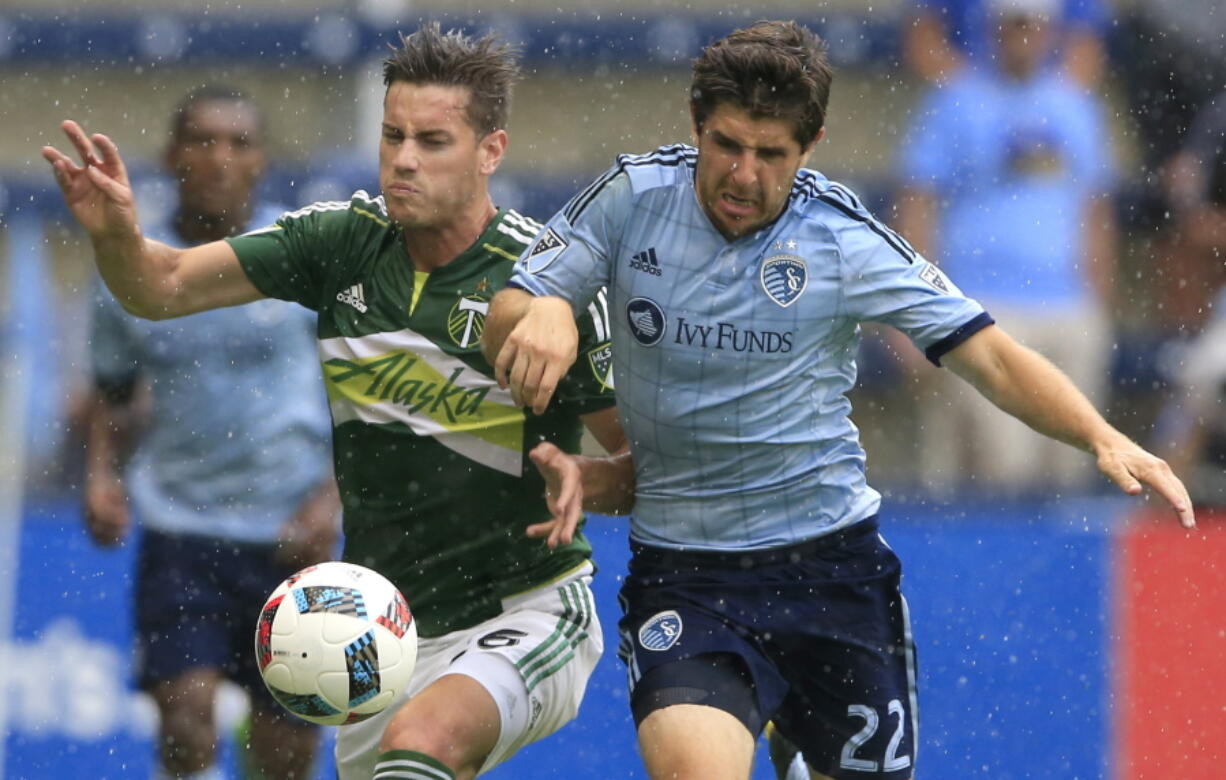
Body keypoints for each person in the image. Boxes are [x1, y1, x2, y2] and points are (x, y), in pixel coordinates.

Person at [482, 20, 1194, 780]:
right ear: (695, 127)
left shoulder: (841, 237)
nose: (743, 175)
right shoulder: (632, 196)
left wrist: (1099, 435)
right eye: (726, 145)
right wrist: (547, 308)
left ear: (811, 145)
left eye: (771, 155)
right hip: (688, 574)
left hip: (830, 575)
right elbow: (506, 314)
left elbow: (988, 354)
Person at [46, 24, 630, 780]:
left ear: (491, 151)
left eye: (432, 140)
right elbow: (158, 287)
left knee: (419, 743)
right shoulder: (340, 243)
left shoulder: (549, 284)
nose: (404, 159)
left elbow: (639, 466)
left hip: (525, 609)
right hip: (379, 628)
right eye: (393, 136)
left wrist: (589, 481)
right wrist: (116, 236)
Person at [81, 86, 337, 780]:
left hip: (292, 531)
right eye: (202, 140)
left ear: (260, 161)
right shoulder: (131, 265)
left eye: (238, 143)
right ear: (171, 154)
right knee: (187, 723)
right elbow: (109, 391)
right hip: (181, 531)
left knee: (285, 754)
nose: (219, 158)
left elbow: (362, 397)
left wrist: (330, 501)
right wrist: (100, 476)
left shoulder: (305, 252)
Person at [894, 0, 1119, 493]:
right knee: (1000, 472)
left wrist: (1098, 304)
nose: (1023, 35)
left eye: (1033, 25)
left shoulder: (1077, 106)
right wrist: (913, 313)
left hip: (1066, 304)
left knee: (1072, 472)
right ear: (992, 30)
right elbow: (918, 205)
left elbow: (1095, 212)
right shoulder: (953, 101)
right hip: (981, 304)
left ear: (1051, 31)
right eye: (1013, 25)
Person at [902, 0, 1107, 87]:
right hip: (968, 104)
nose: (1019, 40)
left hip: (1049, 103)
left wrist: (1037, 99)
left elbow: (1085, 54)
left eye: (1028, 28)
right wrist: (976, 94)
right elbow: (924, 42)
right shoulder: (961, 104)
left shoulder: (1065, 107)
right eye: (1011, 29)